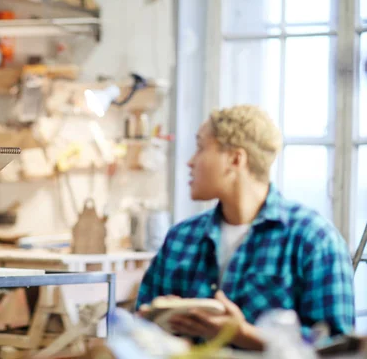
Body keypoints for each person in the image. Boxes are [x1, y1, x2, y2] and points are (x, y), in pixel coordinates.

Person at [136, 105, 355, 350]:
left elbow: (337, 350)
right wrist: (158, 322)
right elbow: (139, 332)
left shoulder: (314, 239)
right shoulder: (180, 239)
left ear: (235, 159)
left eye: (200, 148)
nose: (190, 162)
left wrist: (243, 335)